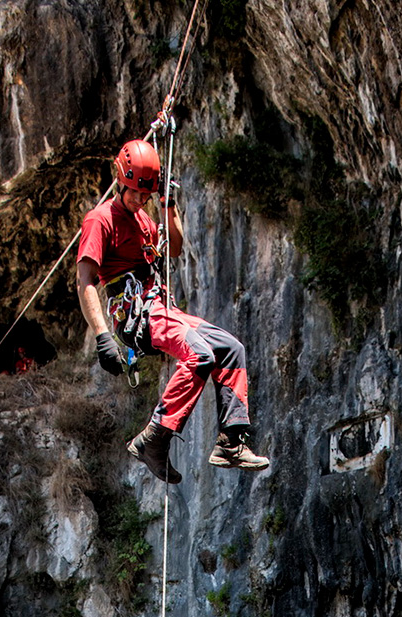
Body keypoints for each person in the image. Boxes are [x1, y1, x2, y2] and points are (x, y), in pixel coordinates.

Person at [77, 137, 270, 484]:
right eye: (135, 191)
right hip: (135, 313)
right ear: (121, 179)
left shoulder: (145, 221)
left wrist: (169, 203)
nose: (139, 199)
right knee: (199, 354)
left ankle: (230, 442)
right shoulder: (100, 219)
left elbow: (176, 246)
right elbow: (86, 280)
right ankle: (154, 438)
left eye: (145, 194)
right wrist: (102, 334)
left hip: (161, 308)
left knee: (230, 349)